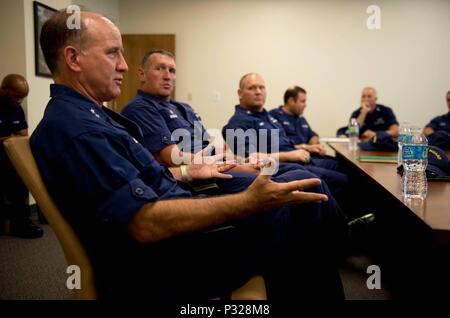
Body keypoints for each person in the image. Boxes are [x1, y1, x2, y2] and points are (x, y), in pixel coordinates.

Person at [31, 10, 347, 301]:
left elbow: (131, 182)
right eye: (113, 53)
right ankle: (342, 242)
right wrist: (246, 204)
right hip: (165, 261)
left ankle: (327, 251)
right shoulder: (78, 130)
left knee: (302, 198)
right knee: (307, 199)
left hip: (180, 226)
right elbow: (144, 223)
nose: (124, 66)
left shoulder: (92, 117)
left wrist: (184, 173)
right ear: (73, 59)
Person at [122, 49, 312, 196]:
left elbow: (209, 148)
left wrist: (238, 159)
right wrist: (235, 165)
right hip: (201, 179)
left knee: (297, 171)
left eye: (172, 70)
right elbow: (171, 157)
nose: (167, 75)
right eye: (160, 68)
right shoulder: (141, 108)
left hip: (220, 166)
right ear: (141, 74)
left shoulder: (184, 107)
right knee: (300, 177)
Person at [222, 73, 349, 197]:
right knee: (344, 180)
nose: (258, 91)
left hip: (299, 159)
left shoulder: (267, 116)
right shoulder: (237, 123)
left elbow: (283, 143)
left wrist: (305, 148)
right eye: (252, 88)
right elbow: (250, 159)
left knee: (346, 166)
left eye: (262, 87)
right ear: (240, 93)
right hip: (284, 167)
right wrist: (290, 155)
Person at [0, 74, 43, 238]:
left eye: (23, 98)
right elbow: (14, 139)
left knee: (22, 170)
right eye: (16, 96)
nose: (20, 101)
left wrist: (9, 140)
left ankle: (20, 223)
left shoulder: (17, 109)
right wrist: (10, 139)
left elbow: (23, 137)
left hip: (7, 155)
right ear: (4, 89)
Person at [269, 86, 340, 170]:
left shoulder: (301, 118)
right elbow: (281, 146)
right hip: (294, 161)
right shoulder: (274, 117)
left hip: (310, 156)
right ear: (291, 101)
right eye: (302, 101)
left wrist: (316, 146)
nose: (305, 105)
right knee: (343, 171)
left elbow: (312, 135)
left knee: (343, 164)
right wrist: (306, 147)